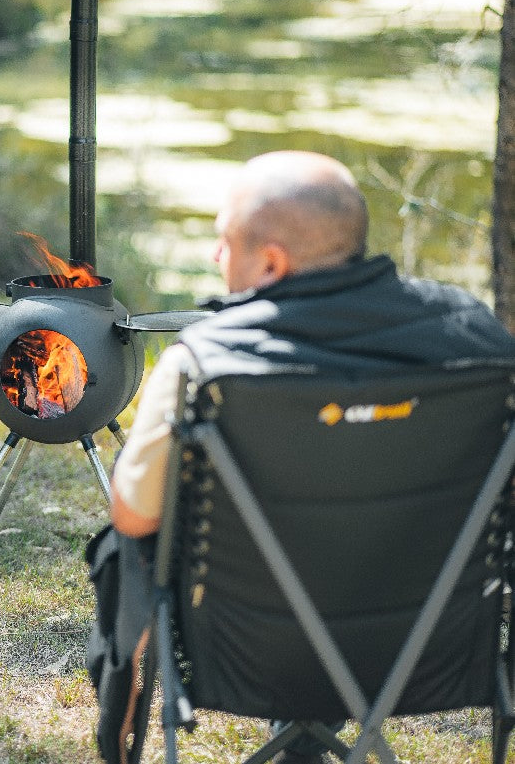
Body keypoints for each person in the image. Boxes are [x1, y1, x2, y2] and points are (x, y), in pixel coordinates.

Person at [101, 150, 515, 764]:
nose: (217, 258)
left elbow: (134, 514)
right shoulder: (480, 342)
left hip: (252, 651)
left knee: (125, 550)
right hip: (428, 649)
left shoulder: (206, 363)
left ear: (271, 261)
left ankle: (119, 747)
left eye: (225, 242)